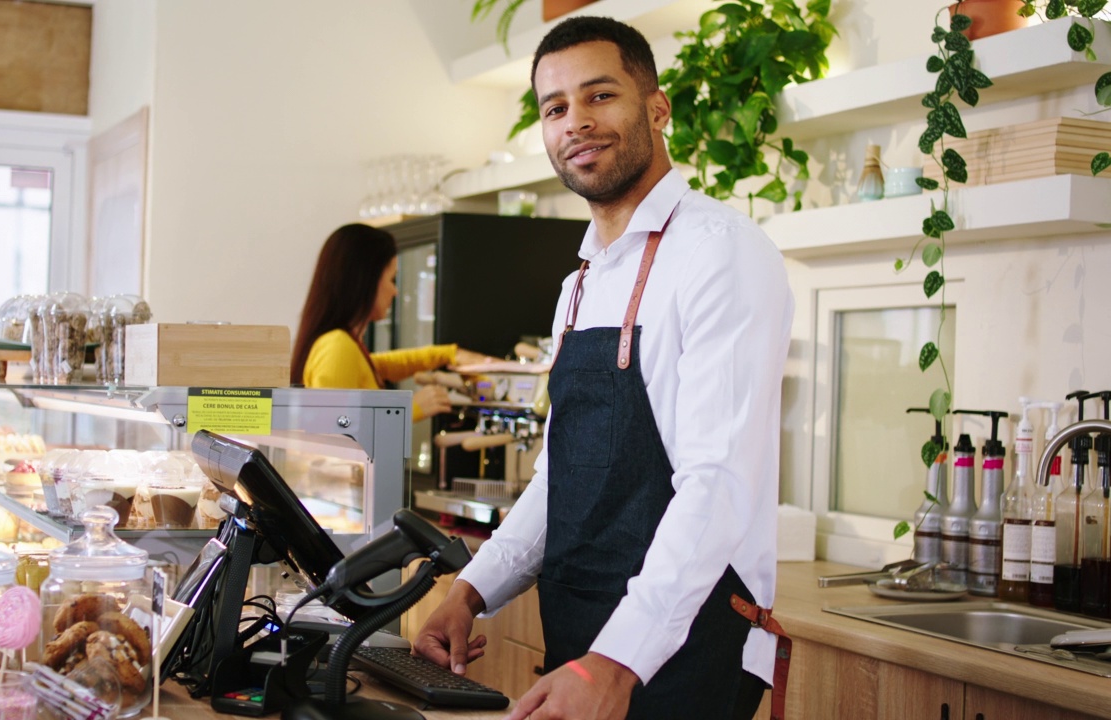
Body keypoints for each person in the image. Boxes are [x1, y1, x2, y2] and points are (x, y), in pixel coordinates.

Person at [412, 16, 794, 720]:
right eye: (556, 108)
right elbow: (564, 478)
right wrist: (470, 592)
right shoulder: (580, 284)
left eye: (599, 96)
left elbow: (717, 488)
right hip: (583, 640)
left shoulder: (722, 253)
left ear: (657, 107)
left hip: (683, 643)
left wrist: (620, 660)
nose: (576, 123)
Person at [290, 223, 491, 421]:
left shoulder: (344, 345)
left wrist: (448, 354)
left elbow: (388, 364)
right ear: (366, 280)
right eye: (391, 279)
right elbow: (333, 432)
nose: (395, 291)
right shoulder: (337, 346)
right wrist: (407, 411)